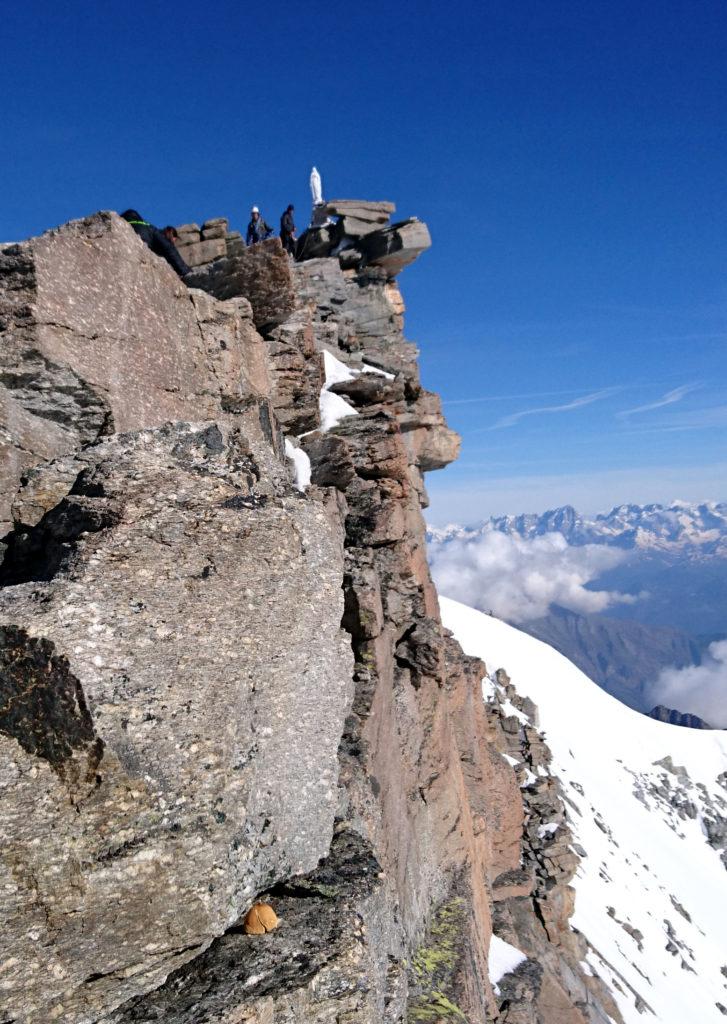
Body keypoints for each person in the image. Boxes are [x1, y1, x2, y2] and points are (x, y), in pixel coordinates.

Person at [120, 211, 191, 278]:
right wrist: (186, 271)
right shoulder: (156, 232)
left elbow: (109, 222)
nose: (172, 243)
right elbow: (170, 251)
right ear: (169, 232)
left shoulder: (139, 224)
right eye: (171, 240)